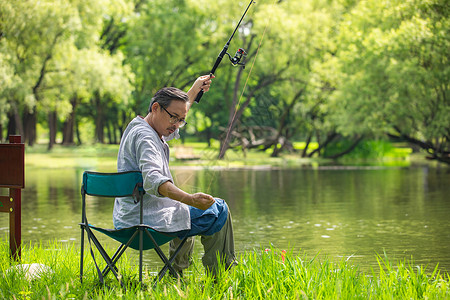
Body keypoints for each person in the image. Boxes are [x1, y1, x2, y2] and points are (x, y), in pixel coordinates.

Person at [113, 75, 236, 277]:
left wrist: (194, 91)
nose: (176, 124)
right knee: (219, 210)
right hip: (145, 222)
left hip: (125, 220)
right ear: (155, 108)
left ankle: (176, 275)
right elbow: (153, 179)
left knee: (183, 209)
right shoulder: (146, 139)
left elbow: (171, 120)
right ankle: (219, 277)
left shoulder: (139, 127)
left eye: (181, 120)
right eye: (173, 118)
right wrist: (190, 199)